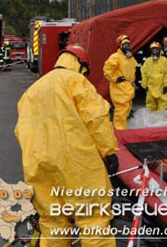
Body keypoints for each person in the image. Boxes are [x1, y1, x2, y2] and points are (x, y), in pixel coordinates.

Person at [15, 45, 118, 247]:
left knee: (52, 222)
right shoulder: (75, 80)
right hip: (75, 162)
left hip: (38, 165)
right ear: (80, 64)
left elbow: (21, 130)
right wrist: (109, 152)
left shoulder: (31, 90)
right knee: (92, 219)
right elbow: (96, 118)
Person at [103, 35, 137, 130]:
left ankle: (122, 128)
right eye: (124, 44)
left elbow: (133, 70)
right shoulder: (115, 57)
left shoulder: (129, 58)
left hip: (128, 87)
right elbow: (107, 70)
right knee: (121, 109)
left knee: (126, 108)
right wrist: (116, 79)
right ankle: (120, 131)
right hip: (119, 87)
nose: (127, 46)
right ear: (120, 45)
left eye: (128, 44)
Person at [140, 42, 167, 112]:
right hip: (151, 89)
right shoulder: (148, 61)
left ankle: (161, 122)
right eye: (153, 50)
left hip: (161, 88)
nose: (155, 51)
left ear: (160, 50)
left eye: (156, 50)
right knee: (150, 108)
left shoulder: (164, 61)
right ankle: (152, 122)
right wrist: (144, 85)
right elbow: (144, 73)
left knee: (162, 108)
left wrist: (166, 85)